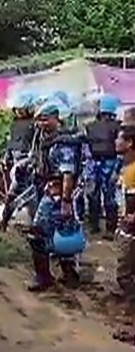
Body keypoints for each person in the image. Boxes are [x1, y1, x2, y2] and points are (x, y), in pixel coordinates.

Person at [26, 102, 84, 292]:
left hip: (59, 195)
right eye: (39, 119)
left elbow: (68, 173)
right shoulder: (44, 140)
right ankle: (68, 275)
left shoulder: (63, 143)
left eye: (45, 119)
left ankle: (45, 277)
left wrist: (65, 201)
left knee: (39, 233)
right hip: (50, 191)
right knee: (60, 232)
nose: (41, 123)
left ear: (56, 118)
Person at [84, 94, 122, 237]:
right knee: (109, 196)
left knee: (93, 195)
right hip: (109, 163)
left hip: (94, 164)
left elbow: (86, 147)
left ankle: (95, 226)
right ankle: (110, 229)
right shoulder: (118, 126)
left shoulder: (90, 126)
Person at [0, 93, 37, 231]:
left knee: (22, 192)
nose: (19, 111)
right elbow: (11, 142)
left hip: (26, 161)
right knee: (19, 191)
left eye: (22, 108)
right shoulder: (15, 124)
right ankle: (5, 220)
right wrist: (6, 156)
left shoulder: (34, 125)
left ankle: (5, 220)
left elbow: (34, 144)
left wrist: (31, 159)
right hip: (15, 158)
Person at [114, 125, 135, 302]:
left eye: (119, 138)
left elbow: (131, 196)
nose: (115, 141)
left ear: (129, 143)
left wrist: (130, 216)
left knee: (125, 269)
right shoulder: (127, 166)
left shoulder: (132, 169)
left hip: (131, 223)